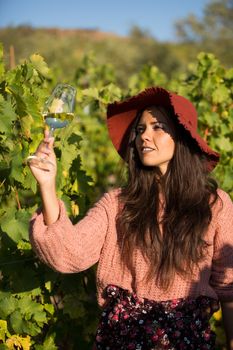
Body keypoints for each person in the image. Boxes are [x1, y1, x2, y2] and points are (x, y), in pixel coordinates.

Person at [29, 86, 233, 350]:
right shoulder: (116, 204)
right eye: (139, 130)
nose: (144, 137)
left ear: (181, 137)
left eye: (157, 127)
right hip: (122, 342)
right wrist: (47, 185)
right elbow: (69, 254)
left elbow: (229, 289)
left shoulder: (214, 205)